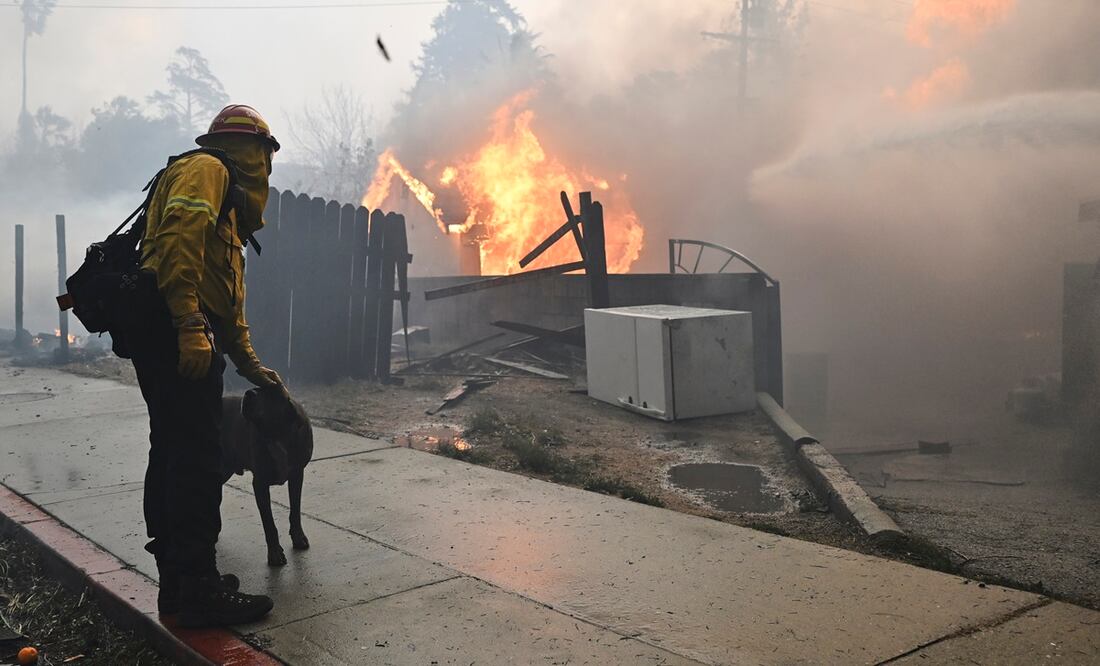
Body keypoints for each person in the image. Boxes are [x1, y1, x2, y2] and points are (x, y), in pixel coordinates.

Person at [129, 104, 283, 627]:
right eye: (264, 155)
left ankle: (180, 580)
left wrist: (252, 365)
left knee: (174, 448)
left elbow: (226, 295)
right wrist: (191, 325)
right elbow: (177, 248)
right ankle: (197, 588)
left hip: (177, 330)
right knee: (195, 457)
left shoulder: (227, 199)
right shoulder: (208, 170)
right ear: (253, 151)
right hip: (175, 333)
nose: (265, 168)